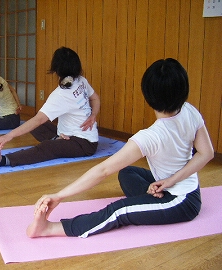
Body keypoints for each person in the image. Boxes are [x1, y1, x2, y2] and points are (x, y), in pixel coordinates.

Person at [26, 58, 214, 239]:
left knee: (119, 210)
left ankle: (49, 229)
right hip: (181, 186)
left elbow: (103, 170)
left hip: (180, 202)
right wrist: (168, 181)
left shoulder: (151, 136)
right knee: (127, 173)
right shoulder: (189, 109)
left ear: (148, 96)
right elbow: (206, 153)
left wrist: (59, 195)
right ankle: (151, 199)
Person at [0, 47, 100, 168]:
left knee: (46, 147)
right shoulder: (80, 80)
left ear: (56, 69)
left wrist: (8, 136)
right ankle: (58, 138)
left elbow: (39, 119)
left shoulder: (62, 94)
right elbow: (95, 98)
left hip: (84, 144)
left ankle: (4, 160)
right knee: (36, 126)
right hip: (72, 134)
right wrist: (93, 115)